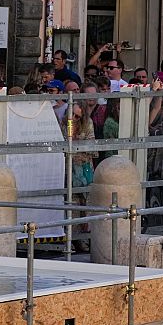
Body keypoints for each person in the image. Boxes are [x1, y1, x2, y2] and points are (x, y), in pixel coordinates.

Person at [65, 104, 96, 252]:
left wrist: (77, 145)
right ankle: (72, 239)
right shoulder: (63, 124)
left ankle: (84, 240)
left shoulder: (88, 123)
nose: (75, 119)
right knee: (72, 204)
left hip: (84, 167)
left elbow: (90, 145)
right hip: (69, 168)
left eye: (78, 117)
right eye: (73, 116)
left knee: (87, 203)